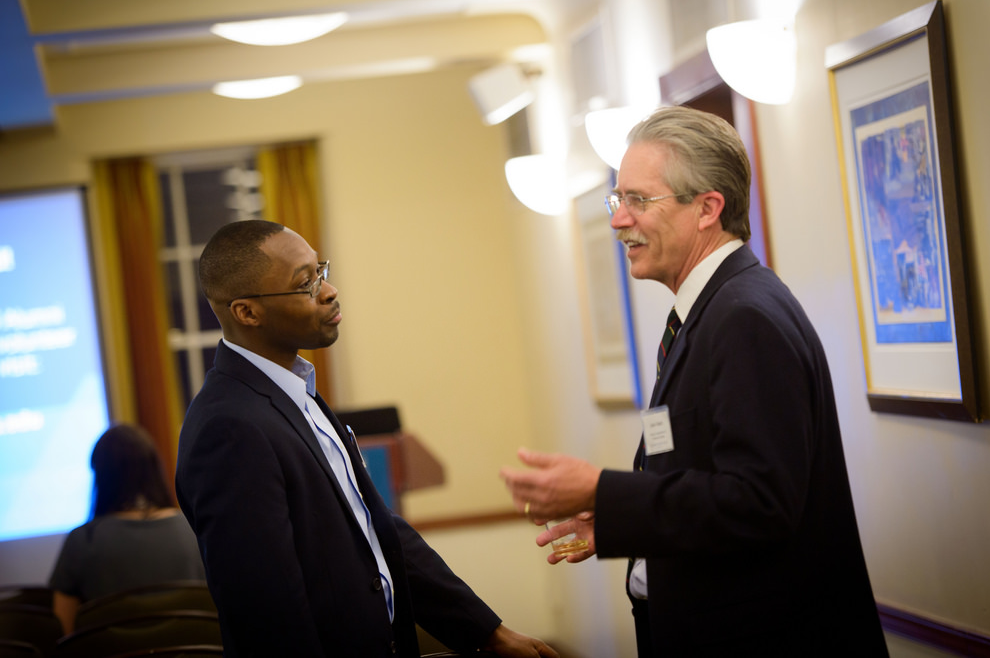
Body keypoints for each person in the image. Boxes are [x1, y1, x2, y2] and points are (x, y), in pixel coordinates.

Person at [500, 106, 890, 656]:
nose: (618, 220)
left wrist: (603, 491)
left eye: (638, 200)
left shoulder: (743, 317)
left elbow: (759, 501)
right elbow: (703, 475)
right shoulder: (708, 311)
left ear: (708, 208)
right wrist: (617, 517)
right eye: (618, 200)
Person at [175, 219, 558, 658]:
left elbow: (375, 531)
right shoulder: (228, 429)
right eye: (306, 284)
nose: (329, 290)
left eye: (321, 271)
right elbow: (267, 614)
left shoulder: (295, 391)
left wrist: (487, 633)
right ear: (247, 312)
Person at [49, 423, 205, 634]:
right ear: (154, 469)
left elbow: (63, 634)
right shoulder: (194, 530)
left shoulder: (83, 540)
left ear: (101, 477)